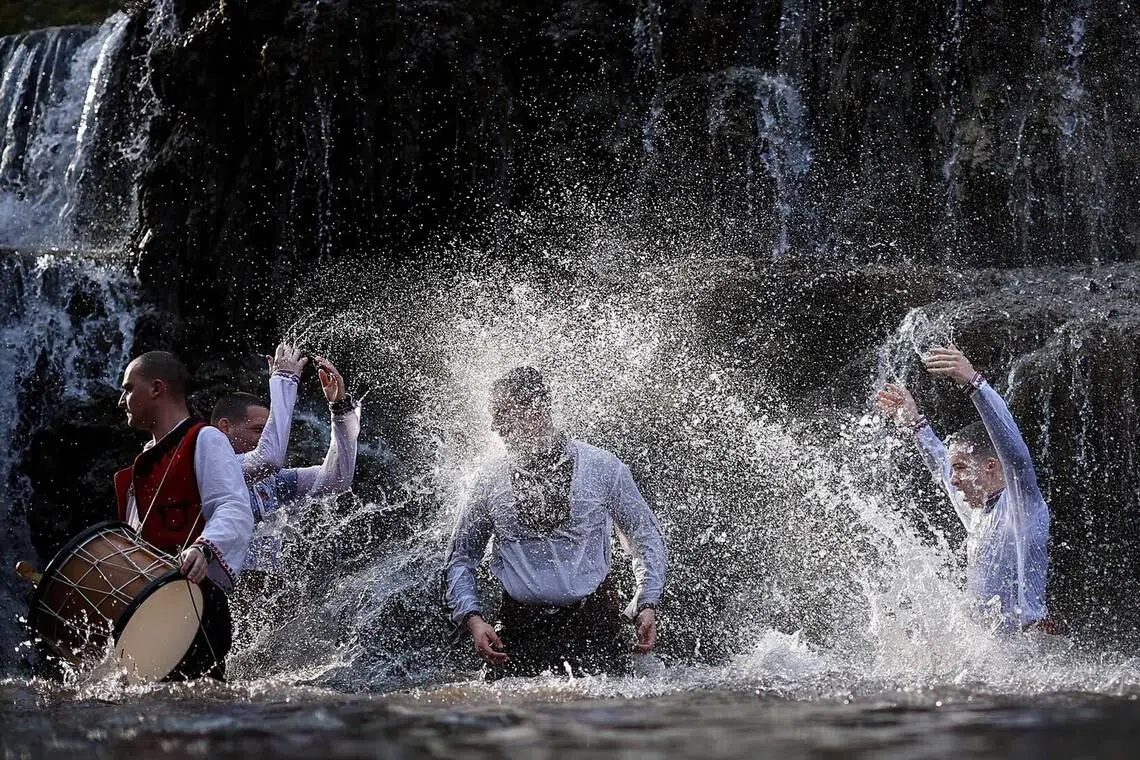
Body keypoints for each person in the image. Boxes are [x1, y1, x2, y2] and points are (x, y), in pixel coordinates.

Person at [443, 367, 667, 677]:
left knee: (605, 717)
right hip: (519, 628)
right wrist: (473, 618)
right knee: (509, 719)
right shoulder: (488, 478)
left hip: (595, 623)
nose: (495, 427)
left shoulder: (601, 467)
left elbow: (646, 536)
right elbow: (461, 559)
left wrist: (647, 601)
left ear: (537, 410)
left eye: (503, 414)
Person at [875, 345, 1051, 633]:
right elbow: (940, 467)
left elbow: (1015, 451)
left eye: (960, 467)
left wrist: (974, 383)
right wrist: (914, 422)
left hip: (1025, 649)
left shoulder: (1022, 507)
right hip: (987, 653)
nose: (953, 479)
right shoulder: (977, 513)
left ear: (992, 466)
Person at [115, 351, 253, 679]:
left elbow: (235, 508)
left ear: (157, 388)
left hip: (196, 601)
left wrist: (204, 547)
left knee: (199, 712)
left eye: (128, 388)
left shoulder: (205, 439)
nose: (123, 400)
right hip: (152, 607)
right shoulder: (141, 464)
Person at [212, 354, 360, 574]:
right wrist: (284, 379)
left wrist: (339, 409)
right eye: (258, 430)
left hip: (264, 603)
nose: (264, 438)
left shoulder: (270, 483)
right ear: (225, 427)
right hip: (212, 600)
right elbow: (268, 458)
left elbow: (337, 479)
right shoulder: (212, 470)